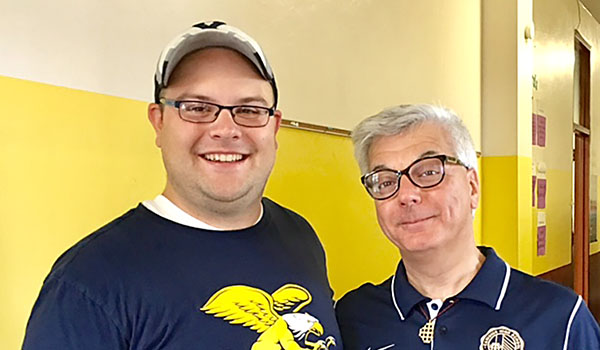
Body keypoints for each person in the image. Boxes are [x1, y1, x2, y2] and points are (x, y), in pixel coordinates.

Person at [23, 21, 340, 350]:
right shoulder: (88, 283)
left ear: (274, 127)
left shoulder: (300, 236)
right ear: (158, 121)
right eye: (198, 108)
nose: (226, 129)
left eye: (249, 109)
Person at [335, 104, 600, 349]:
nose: (406, 195)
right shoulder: (353, 317)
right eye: (385, 181)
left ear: (472, 186)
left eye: (428, 171)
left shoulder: (559, 317)